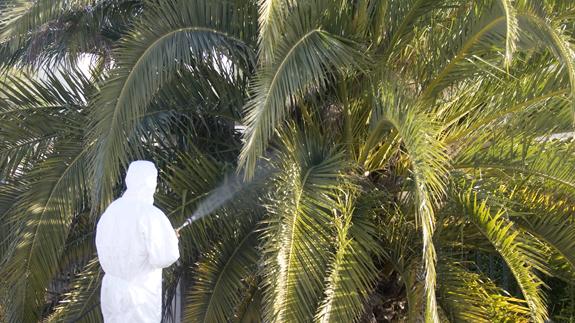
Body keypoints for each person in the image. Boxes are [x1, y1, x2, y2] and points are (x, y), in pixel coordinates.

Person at [96, 160, 180, 323]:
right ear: (151, 183)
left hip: (112, 291)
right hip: (139, 295)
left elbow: (102, 242)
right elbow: (164, 257)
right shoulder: (150, 215)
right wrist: (171, 239)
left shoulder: (113, 209)